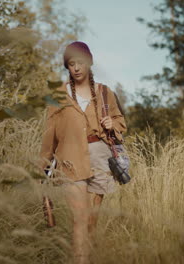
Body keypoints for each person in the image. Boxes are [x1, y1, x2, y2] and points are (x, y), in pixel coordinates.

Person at [39, 41, 127, 264]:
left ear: (89, 62)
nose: (76, 68)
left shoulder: (105, 92)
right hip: (70, 158)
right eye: (71, 64)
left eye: (80, 62)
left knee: (91, 222)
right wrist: (43, 167)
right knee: (80, 218)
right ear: (67, 67)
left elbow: (120, 123)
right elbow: (50, 134)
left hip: (100, 157)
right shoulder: (58, 94)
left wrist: (111, 124)